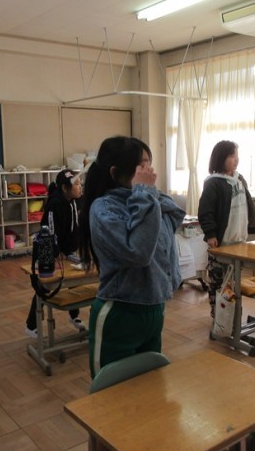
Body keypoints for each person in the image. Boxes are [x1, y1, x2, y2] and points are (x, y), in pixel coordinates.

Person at [79, 136, 185, 378]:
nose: (149, 172)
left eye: (149, 164)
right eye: (141, 166)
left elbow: (176, 214)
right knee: (112, 390)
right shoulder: (104, 208)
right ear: (115, 172)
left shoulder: (146, 200)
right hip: (120, 311)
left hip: (154, 308)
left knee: (148, 384)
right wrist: (145, 193)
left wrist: (146, 193)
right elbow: (138, 253)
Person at [198, 140, 255, 317]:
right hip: (221, 244)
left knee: (233, 282)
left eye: (237, 156)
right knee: (218, 282)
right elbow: (205, 211)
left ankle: (232, 317)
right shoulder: (213, 182)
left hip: (238, 242)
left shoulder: (239, 179)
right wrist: (211, 234)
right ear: (221, 158)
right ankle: (218, 318)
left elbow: (248, 204)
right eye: (232, 156)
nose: (236, 159)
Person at [25, 169, 84, 339]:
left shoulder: (75, 200)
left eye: (80, 183)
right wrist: (56, 253)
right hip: (48, 249)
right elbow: (50, 232)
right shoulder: (55, 204)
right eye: (77, 184)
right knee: (44, 286)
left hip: (67, 250)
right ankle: (31, 325)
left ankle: (74, 315)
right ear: (65, 189)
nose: (80, 186)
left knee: (74, 280)